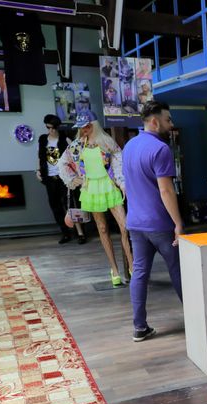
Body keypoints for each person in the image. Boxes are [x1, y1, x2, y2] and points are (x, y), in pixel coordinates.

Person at [122, 100, 183, 342]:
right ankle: (198, 321)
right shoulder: (161, 150)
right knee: (178, 271)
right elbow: (166, 191)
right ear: (155, 121)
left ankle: (139, 327)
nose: (171, 124)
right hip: (160, 224)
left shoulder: (128, 146)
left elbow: (127, 185)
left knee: (139, 273)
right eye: (168, 120)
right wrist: (178, 224)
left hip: (135, 223)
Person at [58, 110, 132, 287]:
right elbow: (62, 163)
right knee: (102, 229)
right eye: (82, 127)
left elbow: (118, 161)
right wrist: (74, 179)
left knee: (125, 227)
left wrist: (122, 182)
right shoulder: (76, 146)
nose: (84, 129)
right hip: (91, 189)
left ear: (94, 125)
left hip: (109, 186)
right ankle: (114, 269)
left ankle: (132, 265)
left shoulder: (107, 143)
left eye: (87, 126)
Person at [37, 114, 85, 244]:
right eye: (48, 127)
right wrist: (38, 171)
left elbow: (76, 158)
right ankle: (65, 233)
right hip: (49, 177)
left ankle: (80, 232)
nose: (51, 130)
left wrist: (77, 175)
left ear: (57, 127)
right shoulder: (42, 140)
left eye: (53, 128)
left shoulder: (66, 139)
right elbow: (40, 157)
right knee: (55, 206)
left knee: (70, 204)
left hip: (65, 178)